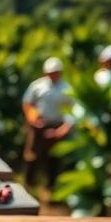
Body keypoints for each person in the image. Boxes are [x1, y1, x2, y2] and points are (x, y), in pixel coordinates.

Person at [22, 57, 73, 191]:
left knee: (54, 158)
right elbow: (27, 103)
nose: (52, 75)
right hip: (38, 125)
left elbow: (72, 111)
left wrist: (62, 130)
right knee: (32, 155)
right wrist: (33, 120)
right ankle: (28, 185)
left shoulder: (67, 89)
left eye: (55, 72)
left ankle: (51, 187)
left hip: (57, 126)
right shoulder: (37, 85)